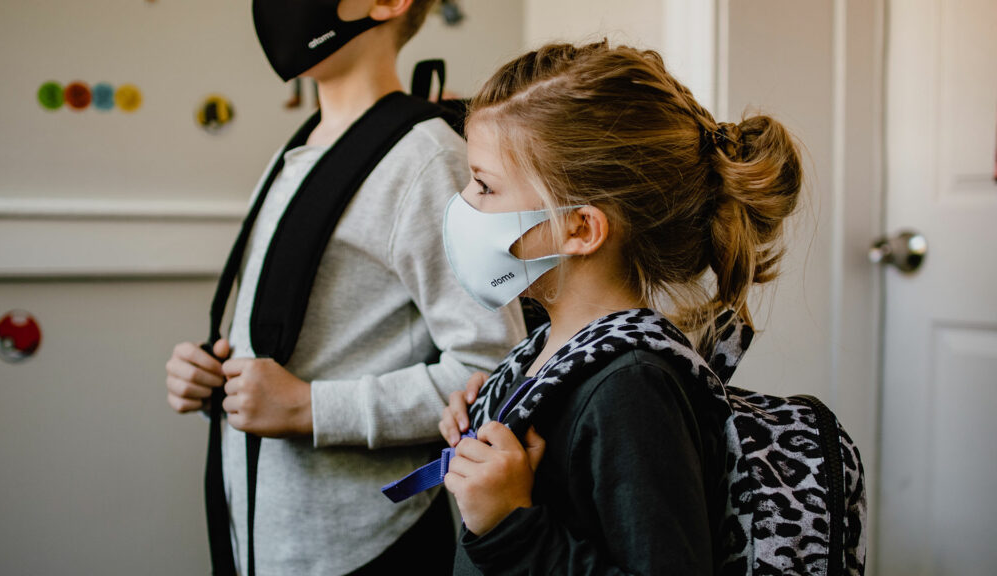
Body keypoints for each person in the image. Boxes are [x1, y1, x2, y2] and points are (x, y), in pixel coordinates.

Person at [164, 1, 526, 574]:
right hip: (260, 537)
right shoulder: (296, 153)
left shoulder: (427, 160)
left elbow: (493, 369)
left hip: (363, 547)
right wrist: (216, 378)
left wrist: (309, 408)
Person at [436, 40, 803, 574]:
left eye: (485, 186)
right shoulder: (556, 347)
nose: (464, 203)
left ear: (580, 227)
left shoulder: (631, 388)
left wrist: (511, 526)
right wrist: (491, 408)